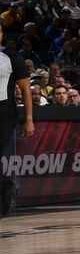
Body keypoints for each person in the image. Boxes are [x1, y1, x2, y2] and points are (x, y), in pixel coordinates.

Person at [0, 25, 35, 217]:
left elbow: (25, 90)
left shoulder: (12, 57)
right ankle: (7, 187)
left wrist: (29, 119)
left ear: (2, 34)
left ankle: (6, 189)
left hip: (4, 111)